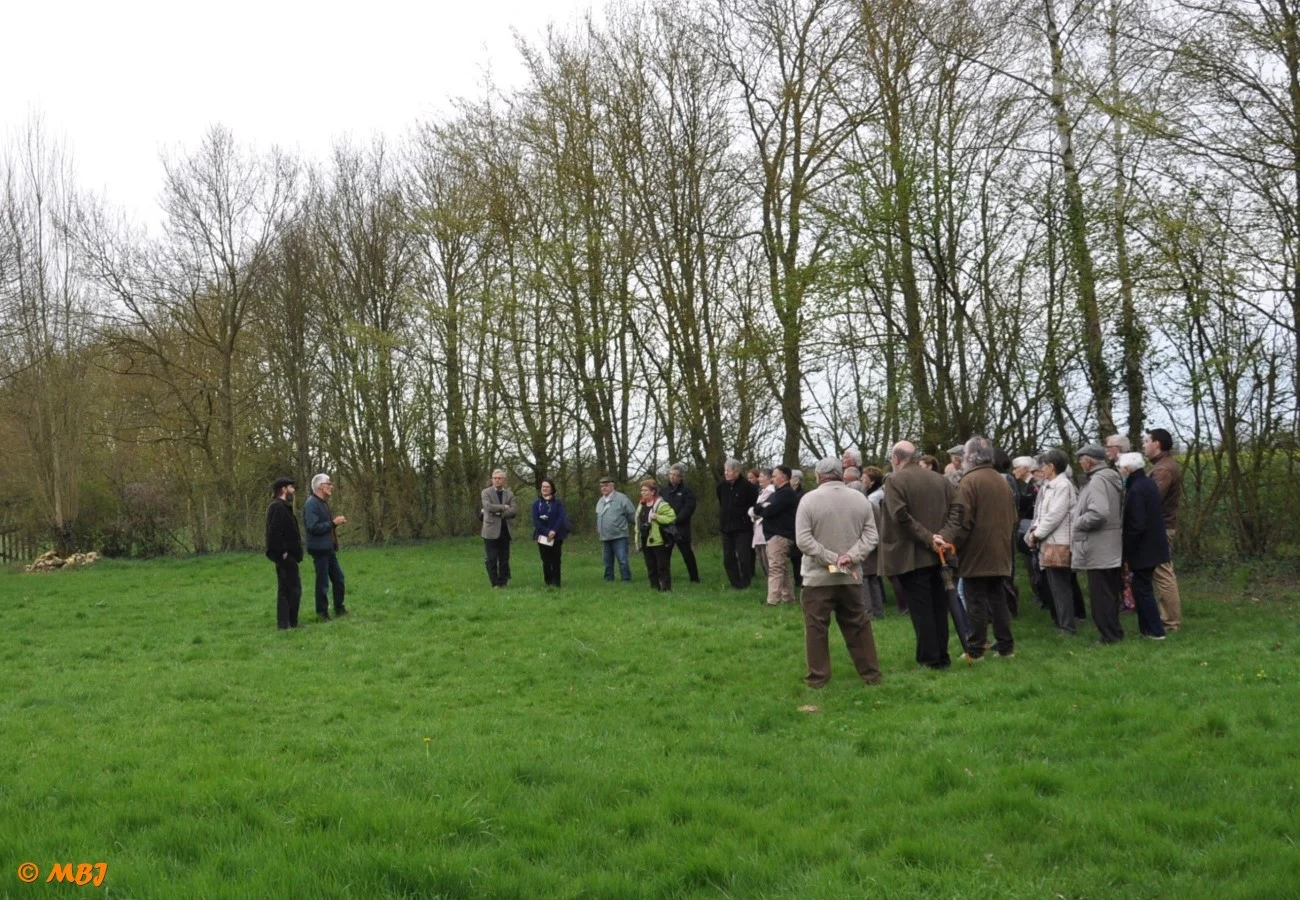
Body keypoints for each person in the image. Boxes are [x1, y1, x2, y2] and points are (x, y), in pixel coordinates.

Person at [794, 457, 883, 688]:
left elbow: (803, 540)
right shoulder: (860, 499)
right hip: (850, 576)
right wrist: (850, 557)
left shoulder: (808, 500)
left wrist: (831, 558)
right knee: (858, 625)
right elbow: (871, 536)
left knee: (816, 628)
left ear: (818, 475)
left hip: (817, 579)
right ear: (841, 474)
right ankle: (871, 674)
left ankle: (818, 678)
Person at [937, 436, 1018, 661]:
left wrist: (951, 544)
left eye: (964, 455)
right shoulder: (1001, 480)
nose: (962, 459)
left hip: (977, 552)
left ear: (971, 457)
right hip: (1000, 550)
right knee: (997, 599)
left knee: (975, 601)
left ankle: (975, 649)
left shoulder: (970, 481)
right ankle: (1006, 648)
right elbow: (1013, 517)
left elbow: (962, 520)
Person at [881, 441, 956, 668]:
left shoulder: (894, 481)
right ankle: (942, 655)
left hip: (911, 556)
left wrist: (930, 538)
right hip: (940, 555)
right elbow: (958, 510)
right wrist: (943, 536)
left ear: (896, 459)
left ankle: (930, 659)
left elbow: (900, 516)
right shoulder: (940, 479)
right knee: (939, 608)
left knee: (922, 610)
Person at [1071, 446, 1124, 644]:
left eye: (1081, 459)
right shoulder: (1109, 477)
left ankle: (1108, 636)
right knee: (1109, 593)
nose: (1079, 463)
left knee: (1101, 595)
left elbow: (1099, 512)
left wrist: (1078, 522)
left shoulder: (1097, 481)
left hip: (1099, 546)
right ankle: (1114, 632)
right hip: (1109, 545)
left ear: (1089, 461)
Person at [1026, 449, 1079, 636]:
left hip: (1059, 543)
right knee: (1054, 587)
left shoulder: (1062, 485)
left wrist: (1036, 534)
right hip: (1049, 542)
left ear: (1052, 467)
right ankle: (1061, 623)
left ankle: (1067, 627)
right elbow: (1042, 514)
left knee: (1061, 587)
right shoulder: (1049, 486)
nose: (1041, 469)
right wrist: (1035, 531)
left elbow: (1054, 515)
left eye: (1044, 465)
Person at [1118, 452, 1169, 640]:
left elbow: (1137, 524)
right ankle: (1146, 629)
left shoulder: (1136, 489)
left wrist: (1127, 548)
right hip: (1153, 545)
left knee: (1143, 588)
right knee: (1141, 587)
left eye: (1120, 469)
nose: (1120, 472)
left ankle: (1155, 630)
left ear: (1128, 469)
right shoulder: (1147, 484)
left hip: (1143, 548)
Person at [1145, 428, 1183, 632]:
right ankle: (1165, 617)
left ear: (1156, 444)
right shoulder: (1161, 466)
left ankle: (1170, 621)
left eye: (1146, 441)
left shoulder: (1163, 469)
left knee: (1163, 572)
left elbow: (1152, 499)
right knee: (1160, 571)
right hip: (1160, 526)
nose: (1143, 445)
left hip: (1161, 527)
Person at [304, 473, 348, 620]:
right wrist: (333, 523)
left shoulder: (322, 502)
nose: (331, 486)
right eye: (328, 484)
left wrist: (333, 524)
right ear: (320, 486)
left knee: (339, 579)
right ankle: (322, 613)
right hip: (319, 549)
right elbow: (313, 527)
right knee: (322, 583)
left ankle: (339, 609)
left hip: (328, 549)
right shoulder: (311, 504)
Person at [754, 465, 798, 606]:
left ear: (783, 477)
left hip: (780, 535)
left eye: (774, 476)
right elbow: (758, 508)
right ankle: (788, 598)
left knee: (775, 568)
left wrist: (764, 507)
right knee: (782, 568)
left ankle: (772, 601)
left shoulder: (786, 494)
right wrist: (763, 507)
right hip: (773, 535)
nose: (772, 479)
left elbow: (768, 511)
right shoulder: (777, 493)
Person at [265, 476, 304, 629]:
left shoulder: (283, 507)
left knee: (288, 589)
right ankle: (288, 623)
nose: (293, 491)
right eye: (291, 487)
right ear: (283, 489)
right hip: (285, 556)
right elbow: (274, 533)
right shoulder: (277, 507)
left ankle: (287, 623)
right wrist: (283, 552)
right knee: (292, 589)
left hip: (289, 555)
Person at [718, 459, 759, 589]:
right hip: (726, 527)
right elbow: (722, 502)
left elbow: (753, 505)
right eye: (725, 470)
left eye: (728, 471)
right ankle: (736, 584)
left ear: (736, 472)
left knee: (743, 557)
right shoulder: (721, 486)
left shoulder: (748, 487)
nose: (726, 473)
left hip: (743, 527)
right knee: (728, 558)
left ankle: (746, 582)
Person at [635, 479, 677, 591]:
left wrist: (657, 517)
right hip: (645, 538)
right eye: (642, 490)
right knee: (650, 565)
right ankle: (654, 587)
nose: (643, 493)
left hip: (658, 539)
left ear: (653, 492)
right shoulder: (641, 504)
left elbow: (672, 517)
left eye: (645, 490)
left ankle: (666, 588)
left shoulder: (662, 505)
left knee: (662, 566)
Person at [662, 463, 701, 583]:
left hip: (681, 527)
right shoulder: (664, 491)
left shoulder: (687, 491)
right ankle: (665, 578)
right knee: (664, 554)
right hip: (666, 527)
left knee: (687, 553)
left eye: (675, 475)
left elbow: (689, 508)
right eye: (670, 474)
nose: (672, 477)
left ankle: (694, 578)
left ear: (680, 477)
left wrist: (677, 519)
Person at [480, 469, 518, 588]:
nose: (497, 480)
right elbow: (488, 507)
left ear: (504, 480)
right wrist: (503, 507)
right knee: (491, 559)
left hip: (505, 530)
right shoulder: (486, 492)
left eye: (499, 478)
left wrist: (500, 514)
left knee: (504, 559)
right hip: (490, 530)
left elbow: (514, 510)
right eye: (495, 478)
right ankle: (495, 582)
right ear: (492, 479)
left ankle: (503, 582)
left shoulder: (509, 494)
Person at [595, 476, 637, 582]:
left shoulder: (622, 498)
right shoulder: (600, 501)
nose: (604, 488)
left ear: (613, 486)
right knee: (607, 561)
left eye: (606, 486)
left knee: (622, 559)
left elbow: (632, 515)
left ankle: (626, 580)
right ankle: (608, 580)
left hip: (619, 535)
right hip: (605, 536)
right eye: (602, 486)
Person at [531, 478, 569, 587]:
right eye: (543, 487)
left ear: (552, 489)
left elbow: (561, 518)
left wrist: (554, 531)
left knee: (556, 559)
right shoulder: (536, 504)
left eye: (547, 487)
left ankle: (556, 582)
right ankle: (548, 582)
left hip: (557, 535)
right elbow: (536, 521)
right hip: (542, 536)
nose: (545, 489)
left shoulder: (558, 503)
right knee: (546, 560)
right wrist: (547, 532)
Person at [861, 466, 887, 619]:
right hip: (876, 544)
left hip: (865, 545)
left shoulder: (864, 506)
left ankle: (868, 612)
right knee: (874, 579)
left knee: (864, 579)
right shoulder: (873, 505)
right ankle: (879, 611)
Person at [751, 468, 775, 576]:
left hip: (765, 529)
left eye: (761, 476)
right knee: (762, 560)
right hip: (759, 529)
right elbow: (757, 508)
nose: (759, 479)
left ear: (769, 478)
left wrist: (753, 512)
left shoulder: (770, 491)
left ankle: (773, 583)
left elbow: (758, 509)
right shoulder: (762, 491)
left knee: (767, 562)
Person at [789, 470, 806, 590]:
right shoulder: (791, 494)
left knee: (798, 557)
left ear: (796, 481)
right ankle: (797, 580)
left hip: (799, 528)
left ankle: (801, 581)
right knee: (794, 557)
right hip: (792, 529)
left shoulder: (801, 495)